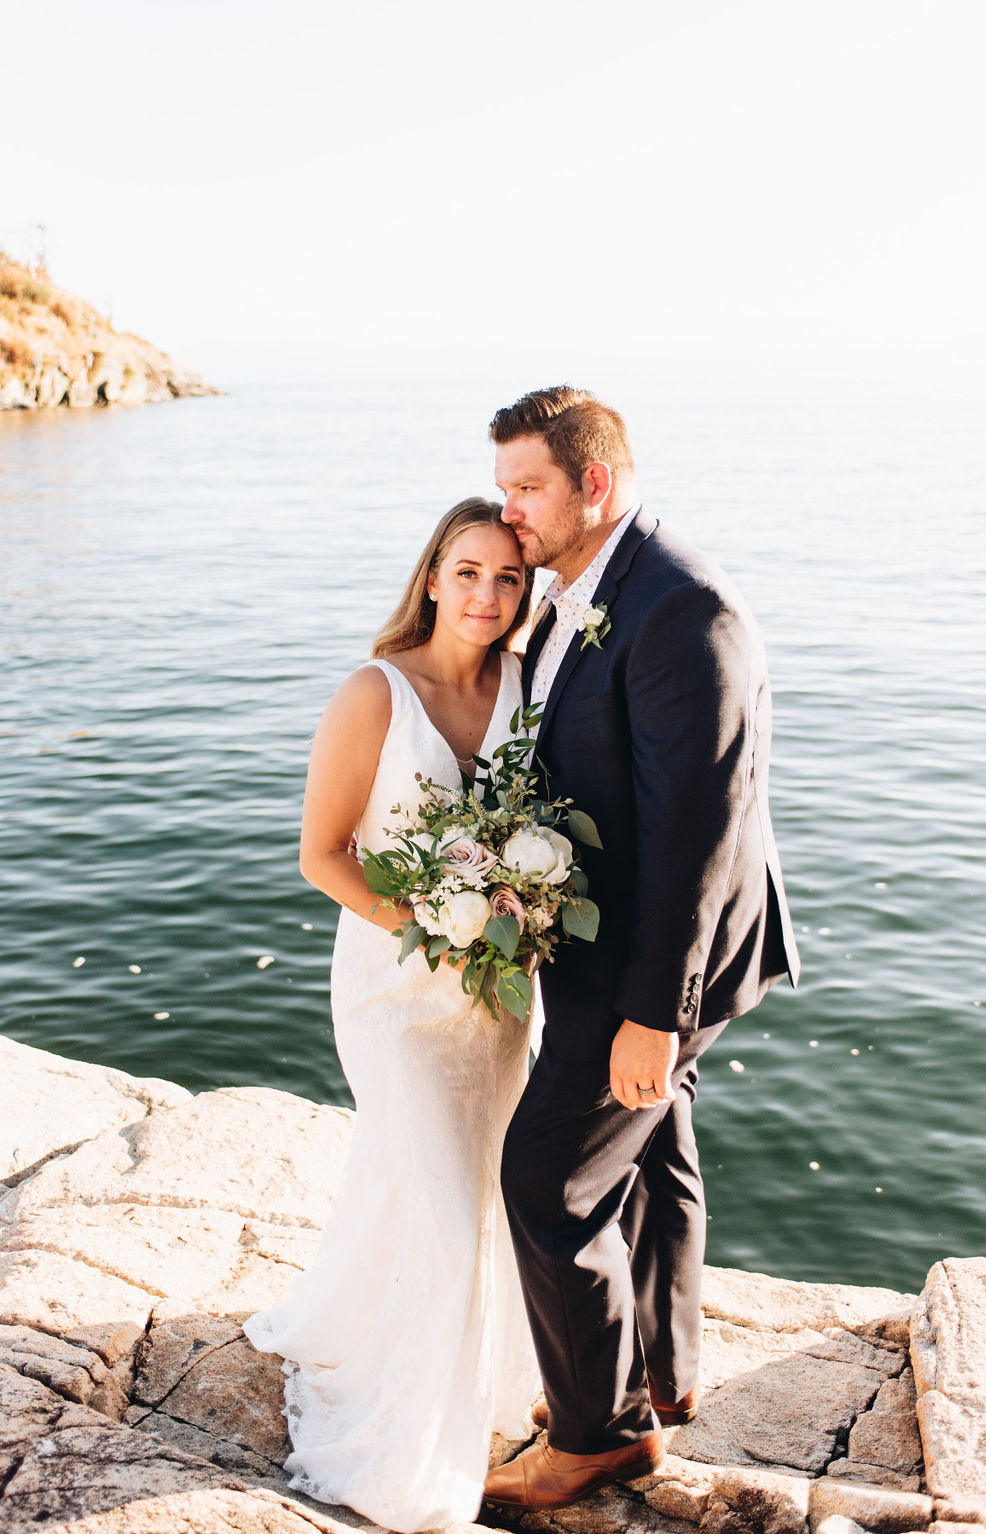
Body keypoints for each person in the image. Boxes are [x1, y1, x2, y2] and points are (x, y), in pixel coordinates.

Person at [481, 387, 801, 1512]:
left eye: (527, 487)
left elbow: (693, 832)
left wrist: (651, 1016)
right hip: (616, 937)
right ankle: (653, 1379)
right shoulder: (593, 587)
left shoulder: (679, 606)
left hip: (666, 953)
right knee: (652, 1148)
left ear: (593, 485)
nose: (507, 510)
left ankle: (598, 1435)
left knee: (548, 1177)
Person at [243, 498, 540, 1533]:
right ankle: (414, 1451)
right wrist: (434, 926)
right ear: (430, 577)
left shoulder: (526, 691)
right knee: (442, 1198)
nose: (487, 595)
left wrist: (513, 913)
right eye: (467, 573)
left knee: (480, 1190)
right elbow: (321, 853)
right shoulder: (375, 693)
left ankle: (463, 1359)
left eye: (507, 577)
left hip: (501, 1001)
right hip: (394, 990)